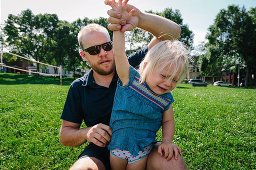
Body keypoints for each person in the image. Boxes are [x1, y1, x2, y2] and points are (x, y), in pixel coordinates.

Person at [59, 0, 187, 169]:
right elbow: (65, 135)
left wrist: (138, 18)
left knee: (173, 161)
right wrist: (86, 132)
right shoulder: (79, 87)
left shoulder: (135, 67)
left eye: (107, 46)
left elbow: (173, 33)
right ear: (83, 55)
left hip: (142, 145)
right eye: (94, 50)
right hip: (101, 150)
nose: (103, 53)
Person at [107, 1, 187, 169]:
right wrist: (118, 27)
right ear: (145, 66)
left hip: (142, 150)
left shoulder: (165, 99)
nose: (168, 83)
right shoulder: (130, 79)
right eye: (164, 76)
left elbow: (168, 121)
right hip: (117, 146)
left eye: (174, 79)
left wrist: (167, 141)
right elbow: (120, 54)